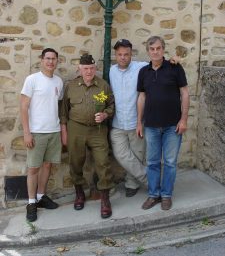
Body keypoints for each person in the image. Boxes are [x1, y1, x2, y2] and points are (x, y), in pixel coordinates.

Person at [110, 39, 180, 197]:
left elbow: (158, 61)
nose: (123, 57)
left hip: (137, 122)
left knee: (137, 155)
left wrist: (172, 60)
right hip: (118, 122)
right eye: (119, 54)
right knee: (121, 154)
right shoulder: (111, 70)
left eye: (126, 54)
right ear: (115, 55)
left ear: (131, 54)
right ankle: (150, 180)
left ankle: (131, 184)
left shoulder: (141, 67)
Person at [137, 36, 190, 210]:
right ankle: (154, 195)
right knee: (152, 162)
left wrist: (183, 119)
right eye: (152, 49)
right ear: (148, 51)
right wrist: (139, 122)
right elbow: (142, 97)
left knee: (169, 162)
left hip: (172, 126)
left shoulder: (175, 68)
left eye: (158, 48)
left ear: (163, 50)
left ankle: (166, 195)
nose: (155, 52)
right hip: (151, 125)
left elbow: (185, 94)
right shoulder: (144, 72)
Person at [60, 54, 115, 219]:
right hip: (76, 128)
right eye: (85, 68)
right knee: (75, 162)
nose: (89, 71)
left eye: (91, 68)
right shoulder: (71, 86)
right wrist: (64, 131)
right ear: (80, 69)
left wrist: (105, 115)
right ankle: (79, 193)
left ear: (95, 68)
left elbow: (111, 105)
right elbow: (64, 111)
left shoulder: (103, 86)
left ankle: (104, 198)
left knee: (103, 161)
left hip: (98, 130)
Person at [20, 48, 63, 222]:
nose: (50, 62)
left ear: (57, 61)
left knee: (47, 166)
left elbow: (56, 105)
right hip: (36, 132)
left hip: (54, 130)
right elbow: (23, 107)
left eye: (53, 59)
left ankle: (40, 197)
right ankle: (31, 203)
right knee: (33, 168)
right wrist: (26, 133)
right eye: (47, 58)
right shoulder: (32, 80)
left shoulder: (59, 82)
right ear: (41, 60)